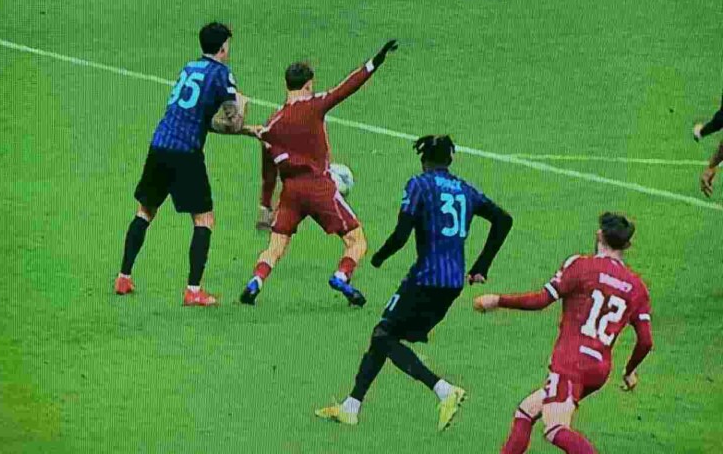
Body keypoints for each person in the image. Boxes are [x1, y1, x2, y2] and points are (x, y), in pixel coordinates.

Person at [316, 135, 513, 431]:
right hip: (452, 282)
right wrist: (481, 266)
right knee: (384, 334)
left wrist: (378, 257)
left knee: (384, 336)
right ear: (450, 159)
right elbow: (503, 220)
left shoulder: (419, 184)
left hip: (425, 278)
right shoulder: (465, 189)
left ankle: (444, 390)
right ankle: (351, 406)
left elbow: (401, 234)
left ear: (424, 159)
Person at [474, 213, 654, 454]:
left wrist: (498, 300)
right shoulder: (637, 287)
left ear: (599, 235)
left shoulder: (580, 266)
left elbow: (541, 300)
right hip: (598, 369)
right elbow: (646, 341)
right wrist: (629, 371)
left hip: (571, 363)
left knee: (555, 428)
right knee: (527, 411)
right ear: (627, 245)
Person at [238, 40, 399, 307]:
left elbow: (268, 174)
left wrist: (265, 205)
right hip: (318, 187)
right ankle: (341, 276)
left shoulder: (271, 126)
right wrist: (375, 61)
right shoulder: (314, 106)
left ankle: (256, 281)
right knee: (356, 240)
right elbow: (346, 88)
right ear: (308, 85)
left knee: (275, 247)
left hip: (291, 192)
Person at [114, 22, 247, 306]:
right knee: (204, 218)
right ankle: (193, 290)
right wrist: (242, 105)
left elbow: (197, 117)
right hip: (186, 151)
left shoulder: (189, 68)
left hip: (160, 144)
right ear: (223, 47)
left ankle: (123, 277)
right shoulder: (221, 74)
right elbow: (233, 123)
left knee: (145, 211)